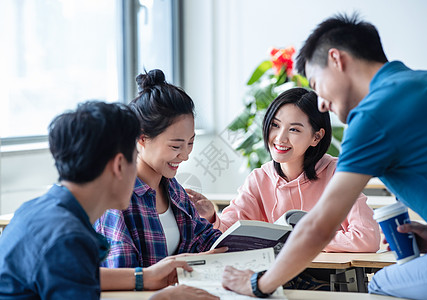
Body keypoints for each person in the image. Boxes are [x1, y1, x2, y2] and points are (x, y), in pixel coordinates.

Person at [221, 13, 427, 300]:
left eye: (316, 84)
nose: (321, 102)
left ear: (336, 60)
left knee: (381, 285)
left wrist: (259, 284)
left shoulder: (371, 115)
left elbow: (320, 227)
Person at [0, 101, 218, 299]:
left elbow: (82, 274)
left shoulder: (37, 210)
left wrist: (145, 276)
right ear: (119, 165)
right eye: (135, 159)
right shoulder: (68, 239)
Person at [188, 87, 380, 253]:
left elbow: (367, 238)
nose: (280, 138)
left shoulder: (338, 174)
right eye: (275, 125)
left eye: (294, 129)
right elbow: (230, 233)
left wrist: (301, 240)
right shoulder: (259, 179)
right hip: (276, 277)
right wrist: (212, 216)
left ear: (316, 137)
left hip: (328, 279)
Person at [94, 70, 223, 274]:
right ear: (141, 138)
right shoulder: (116, 201)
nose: (185, 155)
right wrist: (188, 262)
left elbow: (206, 241)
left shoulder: (174, 190)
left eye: (190, 143)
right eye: (175, 146)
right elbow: (124, 275)